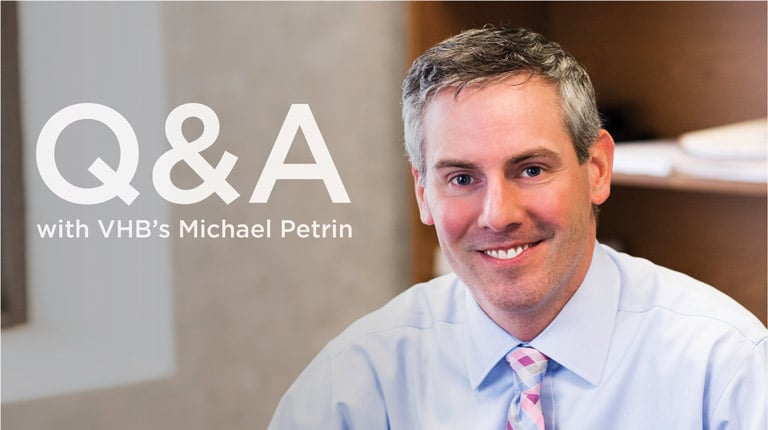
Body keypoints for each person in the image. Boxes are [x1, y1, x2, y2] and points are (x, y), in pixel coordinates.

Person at [268, 26, 767, 429]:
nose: (498, 214)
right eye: (462, 178)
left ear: (596, 169)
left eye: (530, 169)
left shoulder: (725, 368)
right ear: (423, 194)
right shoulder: (358, 381)